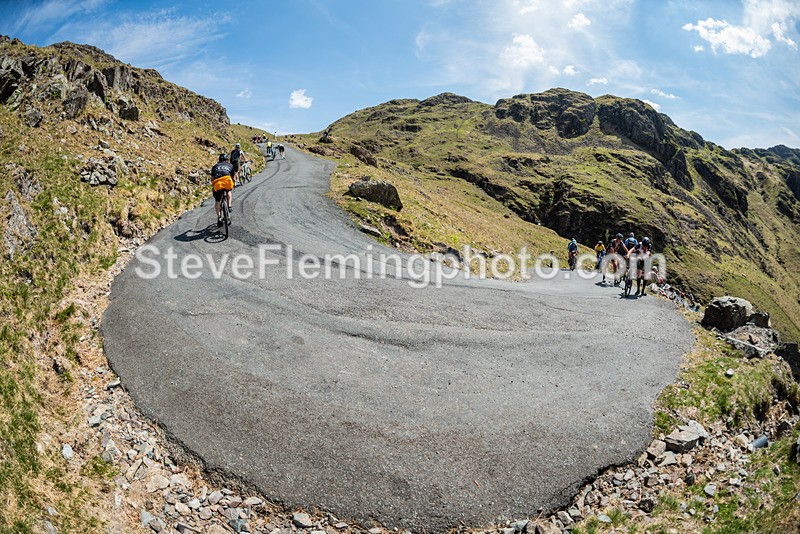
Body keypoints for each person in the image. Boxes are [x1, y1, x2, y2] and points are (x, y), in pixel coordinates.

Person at [211, 154, 235, 227]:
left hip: (218, 184)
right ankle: (229, 206)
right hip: (227, 182)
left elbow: (212, 178)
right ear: (226, 159)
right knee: (228, 191)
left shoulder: (215, 166)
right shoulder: (230, 165)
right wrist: (233, 183)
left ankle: (219, 218)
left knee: (217, 200)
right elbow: (232, 177)